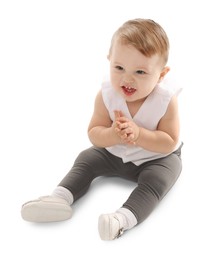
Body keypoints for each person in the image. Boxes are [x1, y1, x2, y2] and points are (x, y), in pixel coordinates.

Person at [21, 18, 183, 241]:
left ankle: (121, 219)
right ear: (109, 61)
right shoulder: (107, 95)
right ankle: (59, 198)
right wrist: (112, 135)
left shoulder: (165, 100)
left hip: (155, 158)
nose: (127, 78)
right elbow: (94, 133)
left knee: (159, 180)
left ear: (161, 75)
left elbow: (169, 141)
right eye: (119, 67)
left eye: (140, 72)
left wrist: (139, 134)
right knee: (86, 158)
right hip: (113, 152)